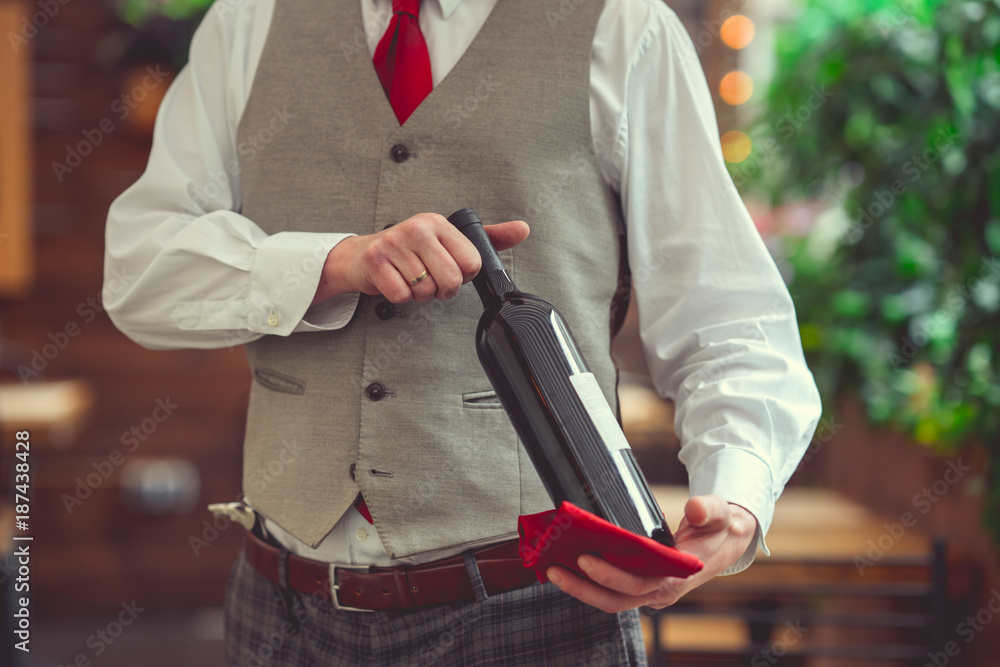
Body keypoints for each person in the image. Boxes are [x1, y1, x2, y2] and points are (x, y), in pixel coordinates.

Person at [103, 0, 822, 664]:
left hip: (539, 612)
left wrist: (733, 495)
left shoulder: (623, 28)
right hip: (282, 613)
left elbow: (730, 320)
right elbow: (140, 270)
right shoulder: (249, 21)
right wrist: (330, 263)